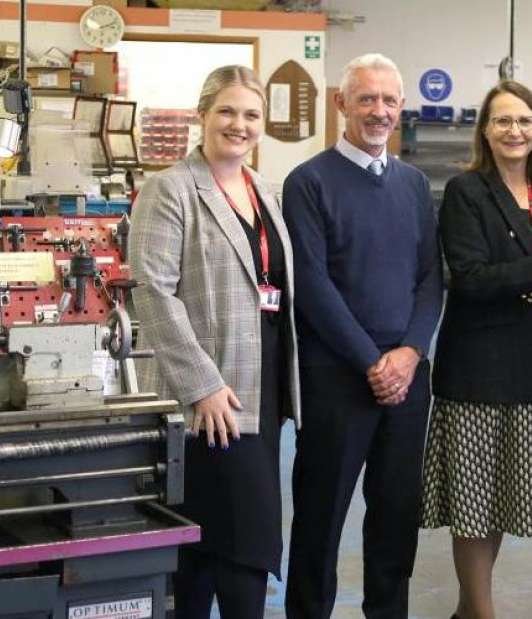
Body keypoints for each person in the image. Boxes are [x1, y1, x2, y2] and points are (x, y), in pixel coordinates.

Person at [130, 65, 300, 619]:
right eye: (227, 111)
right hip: (209, 394)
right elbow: (152, 293)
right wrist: (201, 385)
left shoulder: (264, 192)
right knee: (236, 540)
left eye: (251, 115)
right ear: (202, 116)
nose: (240, 124)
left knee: (215, 541)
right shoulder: (170, 188)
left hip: (262, 388)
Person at [282, 53, 444, 619]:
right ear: (340, 104)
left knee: (396, 518)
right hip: (336, 381)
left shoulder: (414, 184)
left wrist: (409, 353)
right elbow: (312, 283)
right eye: (367, 98)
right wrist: (372, 363)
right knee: (320, 519)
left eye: (389, 100)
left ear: (401, 108)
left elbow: (431, 278)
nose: (379, 111)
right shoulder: (307, 183)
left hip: (406, 381)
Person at [419, 80, 532, 619]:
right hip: (477, 369)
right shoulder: (467, 192)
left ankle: (469, 612)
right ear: (485, 131)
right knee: (472, 502)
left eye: (525, 121)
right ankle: (482, 613)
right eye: (503, 121)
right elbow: (467, 279)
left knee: (506, 499)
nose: (515, 131)